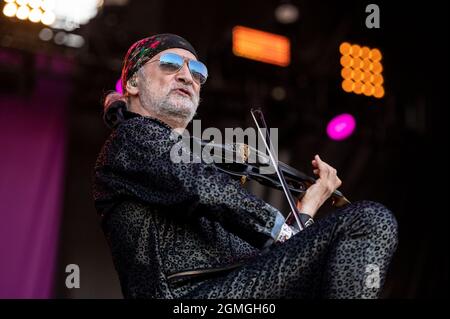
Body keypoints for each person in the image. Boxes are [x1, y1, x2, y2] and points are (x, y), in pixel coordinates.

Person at [92, 33, 398, 299]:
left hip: (231, 295)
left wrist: (307, 207)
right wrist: (286, 234)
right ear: (133, 82)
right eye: (171, 64)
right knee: (368, 220)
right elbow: (205, 187)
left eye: (197, 71)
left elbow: (270, 259)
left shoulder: (179, 159)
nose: (188, 76)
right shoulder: (133, 136)